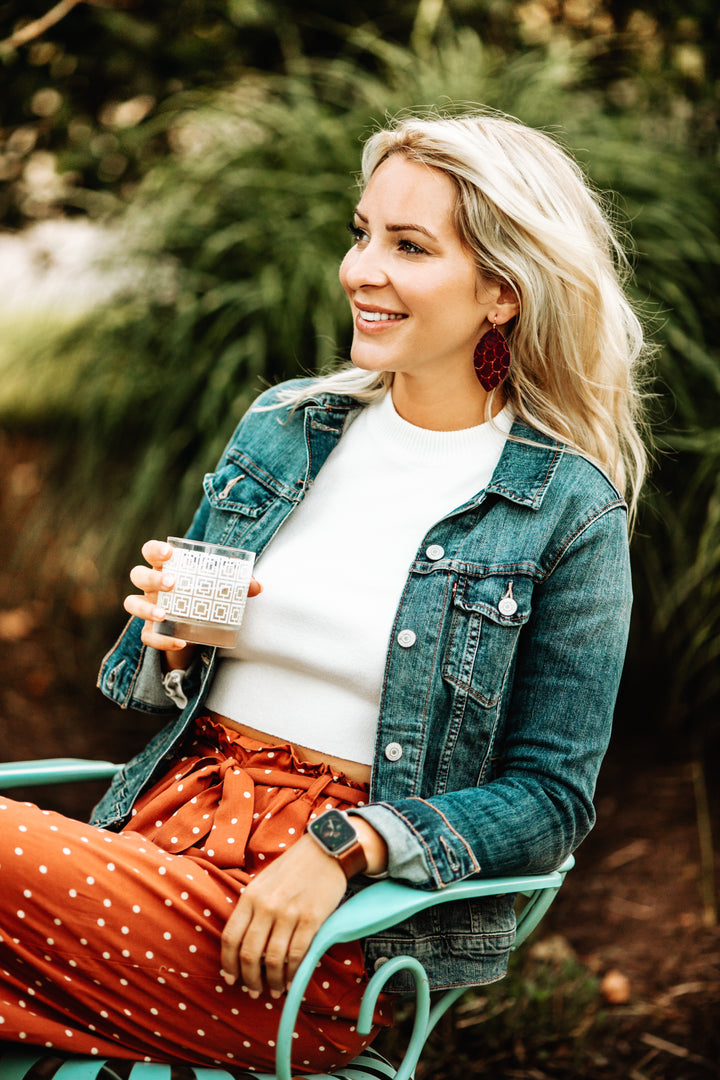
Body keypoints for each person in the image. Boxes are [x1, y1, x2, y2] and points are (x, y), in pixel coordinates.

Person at [0, 110, 649, 1071]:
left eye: (409, 246)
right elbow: (166, 675)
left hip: (313, 930)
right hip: (159, 840)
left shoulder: (565, 511)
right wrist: (171, 642)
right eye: (362, 233)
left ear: (502, 292)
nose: (361, 269)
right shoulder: (286, 425)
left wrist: (350, 845)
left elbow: (551, 797)